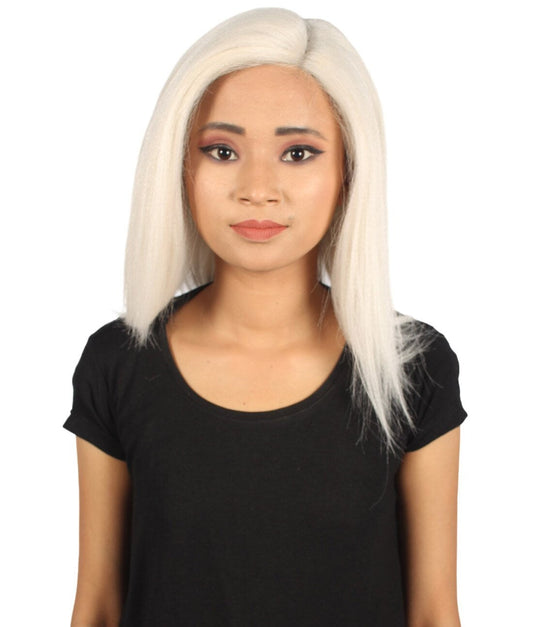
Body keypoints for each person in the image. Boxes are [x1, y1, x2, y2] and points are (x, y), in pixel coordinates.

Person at [63, 8, 467, 626]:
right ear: (181, 167)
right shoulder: (118, 364)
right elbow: (96, 606)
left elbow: (435, 611)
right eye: (222, 150)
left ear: (348, 171)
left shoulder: (413, 366)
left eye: (298, 152)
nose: (258, 187)